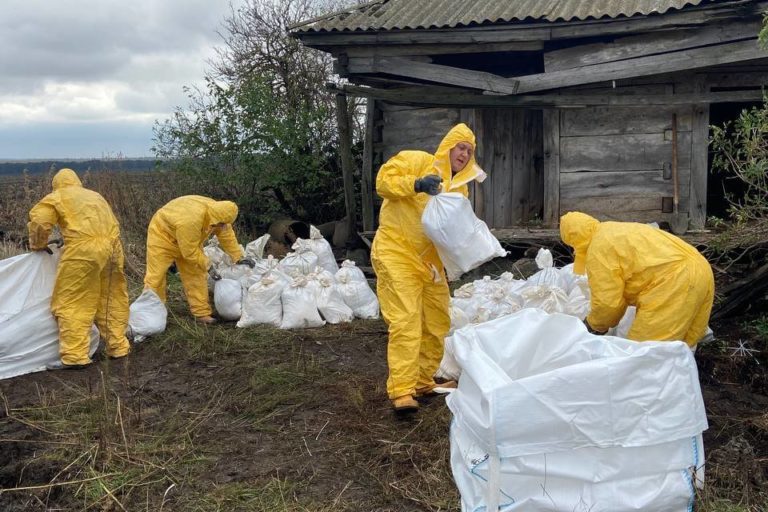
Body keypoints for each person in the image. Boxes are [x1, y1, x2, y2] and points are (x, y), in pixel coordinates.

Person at [372, 123, 486, 414]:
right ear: (448, 145)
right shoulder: (417, 160)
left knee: (437, 321)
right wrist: (417, 184)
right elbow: (383, 182)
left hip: (431, 264)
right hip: (396, 252)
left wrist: (459, 259)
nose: (464, 154)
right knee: (406, 320)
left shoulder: (460, 188)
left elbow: (451, 231)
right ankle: (402, 390)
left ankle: (423, 380)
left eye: (469, 151)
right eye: (460, 147)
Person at [560, 211, 715, 347]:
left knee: (644, 355)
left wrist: (592, 325)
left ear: (572, 240)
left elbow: (607, 304)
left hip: (674, 280)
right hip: (701, 268)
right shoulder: (614, 229)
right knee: (681, 349)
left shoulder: (598, 249)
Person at [28, 168, 131, 370]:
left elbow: (40, 222)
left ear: (56, 184)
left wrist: (38, 244)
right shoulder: (95, 196)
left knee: (72, 300)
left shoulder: (56, 197)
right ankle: (118, 346)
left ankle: (75, 356)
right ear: (77, 181)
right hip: (113, 247)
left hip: (84, 251)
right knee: (111, 297)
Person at [144, 195, 251, 324]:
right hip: (162, 237)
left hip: (189, 240)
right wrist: (208, 265)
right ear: (215, 218)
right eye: (221, 224)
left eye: (224, 224)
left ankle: (201, 314)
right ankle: (152, 314)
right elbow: (189, 252)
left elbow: (226, 234)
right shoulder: (191, 220)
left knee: (196, 274)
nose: (222, 226)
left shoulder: (220, 213)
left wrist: (238, 257)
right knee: (156, 276)